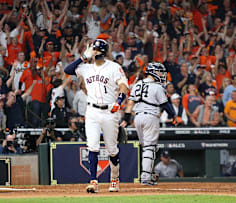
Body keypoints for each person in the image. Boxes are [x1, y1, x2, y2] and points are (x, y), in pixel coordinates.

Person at [64, 39, 129, 193]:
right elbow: (68, 70)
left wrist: (119, 101)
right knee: (92, 146)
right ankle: (94, 181)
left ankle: (114, 178)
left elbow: (123, 86)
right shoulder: (85, 68)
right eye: (92, 50)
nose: (92, 52)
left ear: (101, 52)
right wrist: (83, 57)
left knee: (112, 149)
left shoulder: (114, 67)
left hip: (109, 111)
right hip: (92, 111)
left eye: (94, 50)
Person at [121, 62, 180, 186]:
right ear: (153, 72)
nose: (161, 75)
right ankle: (145, 177)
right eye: (159, 72)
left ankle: (149, 174)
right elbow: (165, 104)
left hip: (137, 118)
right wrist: (174, 116)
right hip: (151, 117)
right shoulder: (157, 87)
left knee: (146, 148)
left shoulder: (137, 85)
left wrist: (126, 119)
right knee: (149, 148)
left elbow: (130, 104)